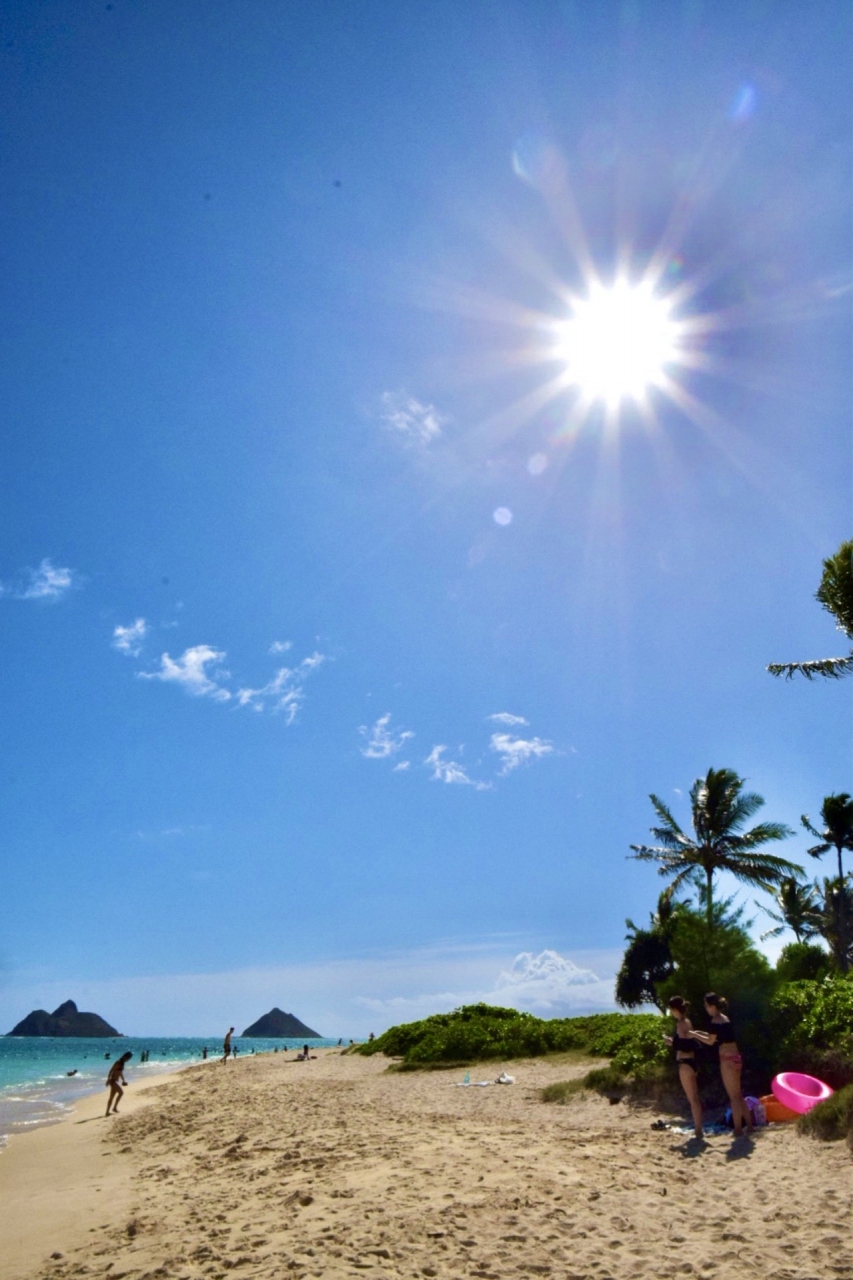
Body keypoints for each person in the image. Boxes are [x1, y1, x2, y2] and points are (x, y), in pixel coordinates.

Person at [688, 993, 753, 1137]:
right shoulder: (724, 1019)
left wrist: (694, 1035)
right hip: (736, 1057)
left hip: (727, 1059)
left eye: (706, 1006)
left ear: (712, 1006)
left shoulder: (714, 1020)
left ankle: (737, 1129)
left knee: (734, 1096)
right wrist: (697, 1033)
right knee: (739, 1095)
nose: (705, 1009)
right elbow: (713, 1036)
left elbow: (710, 1041)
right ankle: (749, 1126)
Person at [663, 997, 703, 1139]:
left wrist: (671, 1043)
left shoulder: (681, 1024)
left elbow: (683, 1046)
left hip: (685, 1063)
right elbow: (688, 1042)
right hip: (691, 1062)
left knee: (692, 1098)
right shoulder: (688, 1022)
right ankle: (699, 1128)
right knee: (695, 1098)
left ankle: (698, 1130)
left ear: (674, 1010)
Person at [105, 1051, 133, 1116]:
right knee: (121, 1093)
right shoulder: (118, 1062)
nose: (128, 1060)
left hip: (115, 1081)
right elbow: (111, 1070)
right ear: (126, 1057)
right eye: (129, 1058)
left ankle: (107, 1112)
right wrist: (108, 1079)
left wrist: (123, 1080)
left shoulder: (122, 1063)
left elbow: (120, 1073)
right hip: (112, 1081)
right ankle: (114, 1108)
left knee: (111, 1097)